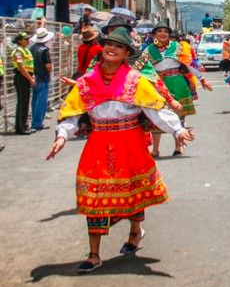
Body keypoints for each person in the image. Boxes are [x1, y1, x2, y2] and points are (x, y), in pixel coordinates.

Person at [46, 28, 194, 272]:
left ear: (126, 54)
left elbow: (156, 110)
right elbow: (72, 114)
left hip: (130, 142)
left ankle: (135, 232)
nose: (111, 48)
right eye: (108, 44)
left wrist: (178, 130)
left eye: (118, 46)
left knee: (132, 192)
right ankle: (94, 254)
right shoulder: (86, 83)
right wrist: (62, 137)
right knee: (94, 198)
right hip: (98, 144)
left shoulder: (136, 82)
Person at [136, 22, 212, 157]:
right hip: (158, 84)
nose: (163, 33)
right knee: (157, 114)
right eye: (159, 31)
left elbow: (189, 64)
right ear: (154, 34)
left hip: (177, 83)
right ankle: (155, 149)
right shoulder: (148, 50)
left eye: (165, 31)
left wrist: (202, 79)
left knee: (179, 116)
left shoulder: (177, 47)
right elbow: (138, 68)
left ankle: (178, 146)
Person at [29, 27, 54, 131]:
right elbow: (48, 66)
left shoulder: (31, 48)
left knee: (35, 100)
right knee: (41, 101)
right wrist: (50, 69)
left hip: (34, 76)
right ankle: (37, 123)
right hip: (43, 77)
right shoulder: (44, 51)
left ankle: (35, 121)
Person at [11, 32, 34, 135]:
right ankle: (20, 127)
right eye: (25, 39)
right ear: (19, 40)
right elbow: (21, 67)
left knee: (26, 102)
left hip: (27, 77)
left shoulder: (26, 51)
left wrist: (32, 77)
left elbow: (29, 66)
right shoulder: (18, 51)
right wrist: (30, 78)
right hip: (21, 77)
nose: (28, 41)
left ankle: (25, 125)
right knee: (22, 103)